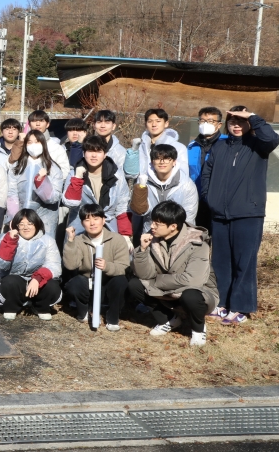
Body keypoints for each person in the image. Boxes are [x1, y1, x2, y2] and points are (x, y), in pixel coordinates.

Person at [202, 106, 279, 325]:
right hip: (220, 215)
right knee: (221, 262)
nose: (236, 125)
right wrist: (209, 197)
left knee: (243, 262)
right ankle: (221, 303)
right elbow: (207, 173)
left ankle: (240, 307)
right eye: (232, 121)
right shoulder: (219, 146)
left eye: (241, 121)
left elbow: (272, 138)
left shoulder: (258, 145)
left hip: (248, 214)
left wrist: (253, 117)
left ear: (248, 124)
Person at [128, 201, 218, 347]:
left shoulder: (198, 243)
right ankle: (168, 319)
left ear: (173, 226)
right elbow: (145, 275)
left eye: (157, 223)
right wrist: (142, 251)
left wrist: (157, 281)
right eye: (153, 222)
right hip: (168, 288)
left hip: (199, 291)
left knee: (191, 295)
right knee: (135, 284)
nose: (152, 226)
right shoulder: (152, 239)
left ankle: (198, 329)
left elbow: (193, 280)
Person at [62, 204, 130, 330]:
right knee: (74, 284)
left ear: (103, 220)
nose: (92, 223)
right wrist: (70, 241)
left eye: (96, 218)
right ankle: (84, 311)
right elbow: (71, 266)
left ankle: (112, 318)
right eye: (87, 220)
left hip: (108, 282)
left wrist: (107, 266)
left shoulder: (117, 239)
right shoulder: (78, 240)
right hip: (88, 283)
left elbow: (123, 266)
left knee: (121, 281)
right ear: (82, 223)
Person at [0, 209, 62, 320]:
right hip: (15, 282)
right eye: (21, 224)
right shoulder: (9, 237)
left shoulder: (48, 241)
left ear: (37, 224)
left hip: (37, 283)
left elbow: (54, 266)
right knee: (11, 281)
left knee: (51, 285)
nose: (25, 227)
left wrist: (38, 278)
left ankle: (40, 307)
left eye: (30, 223)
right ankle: (11, 307)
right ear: (16, 226)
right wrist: (10, 242)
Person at [61, 135, 132, 236]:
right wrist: (77, 179)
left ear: (105, 154)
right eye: (90, 151)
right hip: (80, 228)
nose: (94, 155)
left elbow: (123, 206)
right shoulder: (74, 174)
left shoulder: (117, 175)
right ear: (84, 153)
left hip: (109, 228)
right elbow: (70, 203)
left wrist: (125, 235)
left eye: (98, 151)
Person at [7, 130, 64, 239]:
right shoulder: (17, 167)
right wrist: (14, 217)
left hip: (45, 219)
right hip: (22, 220)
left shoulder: (53, 168)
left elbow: (54, 198)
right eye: (29, 142)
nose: (33, 145)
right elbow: (12, 194)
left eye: (37, 142)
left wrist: (42, 182)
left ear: (43, 144)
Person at [130, 144, 198, 234]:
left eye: (167, 158)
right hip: (150, 232)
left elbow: (189, 216)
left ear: (174, 162)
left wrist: (178, 236)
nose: (162, 162)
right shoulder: (143, 181)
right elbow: (139, 211)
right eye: (157, 158)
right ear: (152, 162)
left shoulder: (187, 185)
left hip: (176, 234)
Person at [186, 107, 226, 228]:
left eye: (210, 121)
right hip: (196, 198)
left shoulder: (227, 143)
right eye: (202, 121)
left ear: (219, 124)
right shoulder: (191, 146)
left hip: (219, 199)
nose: (205, 124)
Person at [135, 108, 189, 179]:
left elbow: (183, 174)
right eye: (150, 121)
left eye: (158, 121)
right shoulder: (139, 147)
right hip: (142, 185)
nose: (154, 124)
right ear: (145, 125)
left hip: (168, 185)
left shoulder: (178, 147)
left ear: (166, 123)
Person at [18, 110, 70, 179]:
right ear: (29, 124)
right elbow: (13, 167)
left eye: (41, 121)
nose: (38, 124)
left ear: (47, 124)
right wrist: (20, 144)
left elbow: (64, 171)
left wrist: (49, 182)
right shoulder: (23, 144)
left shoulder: (56, 147)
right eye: (34, 121)